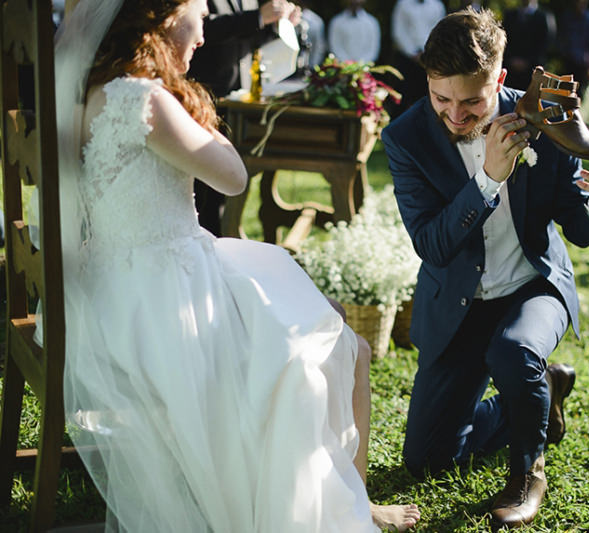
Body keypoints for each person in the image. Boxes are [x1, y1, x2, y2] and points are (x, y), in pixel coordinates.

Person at [54, 0, 419, 530]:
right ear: (163, 19)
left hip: (123, 284)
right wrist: (198, 109)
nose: (202, 36)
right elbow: (233, 177)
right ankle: (350, 500)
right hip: (168, 296)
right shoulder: (146, 100)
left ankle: (349, 492)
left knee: (324, 323)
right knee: (344, 345)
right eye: (197, 17)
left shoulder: (92, 93)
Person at [381, 8, 589, 530]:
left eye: (471, 100)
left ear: (500, 78)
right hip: (458, 308)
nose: (454, 114)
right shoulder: (406, 138)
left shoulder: (544, 117)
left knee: (513, 350)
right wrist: (489, 179)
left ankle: (527, 474)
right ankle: (544, 390)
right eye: (441, 98)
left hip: (532, 288)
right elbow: (434, 245)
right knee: (426, 461)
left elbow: (579, 232)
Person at [188, 0, 301, 237]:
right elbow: (202, 29)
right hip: (201, 95)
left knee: (222, 189)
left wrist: (275, 26)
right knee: (201, 184)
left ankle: (220, 238)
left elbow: (246, 40)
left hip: (237, 100)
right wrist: (258, 17)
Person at [390, 0, 446, 116]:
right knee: (402, 97)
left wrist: (427, 52)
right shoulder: (403, 4)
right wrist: (412, 52)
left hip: (429, 60)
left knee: (427, 98)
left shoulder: (437, 6)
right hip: (406, 59)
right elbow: (399, 31)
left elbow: (439, 31)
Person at [501, 0, 557, 91]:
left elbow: (546, 45)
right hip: (510, 72)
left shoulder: (544, 17)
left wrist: (528, 62)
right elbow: (503, 40)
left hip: (533, 74)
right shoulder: (510, 15)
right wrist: (511, 59)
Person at [556, 0, 589, 100]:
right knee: (566, 91)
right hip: (569, 60)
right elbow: (561, 38)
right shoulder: (567, 17)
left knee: (580, 93)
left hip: (584, 62)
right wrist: (564, 53)